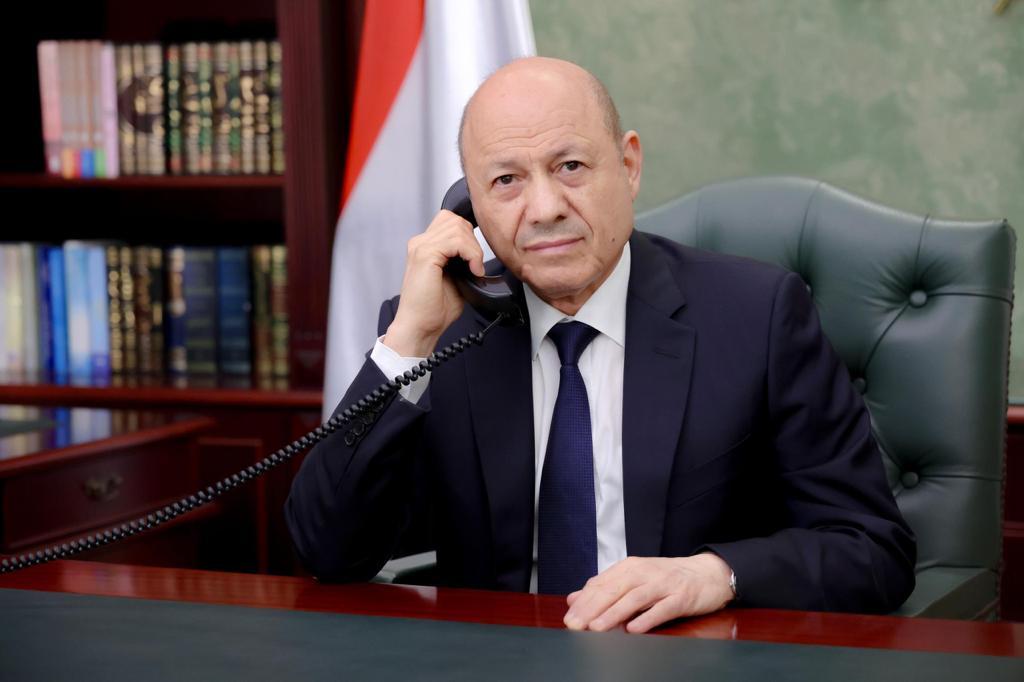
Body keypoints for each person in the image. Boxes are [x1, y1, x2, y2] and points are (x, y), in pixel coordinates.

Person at [286, 56, 915, 633]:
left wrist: (714, 574)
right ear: (469, 207)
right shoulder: (441, 334)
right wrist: (408, 343)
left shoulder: (758, 317)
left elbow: (873, 550)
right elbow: (327, 550)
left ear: (629, 165)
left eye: (570, 167)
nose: (543, 208)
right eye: (505, 180)